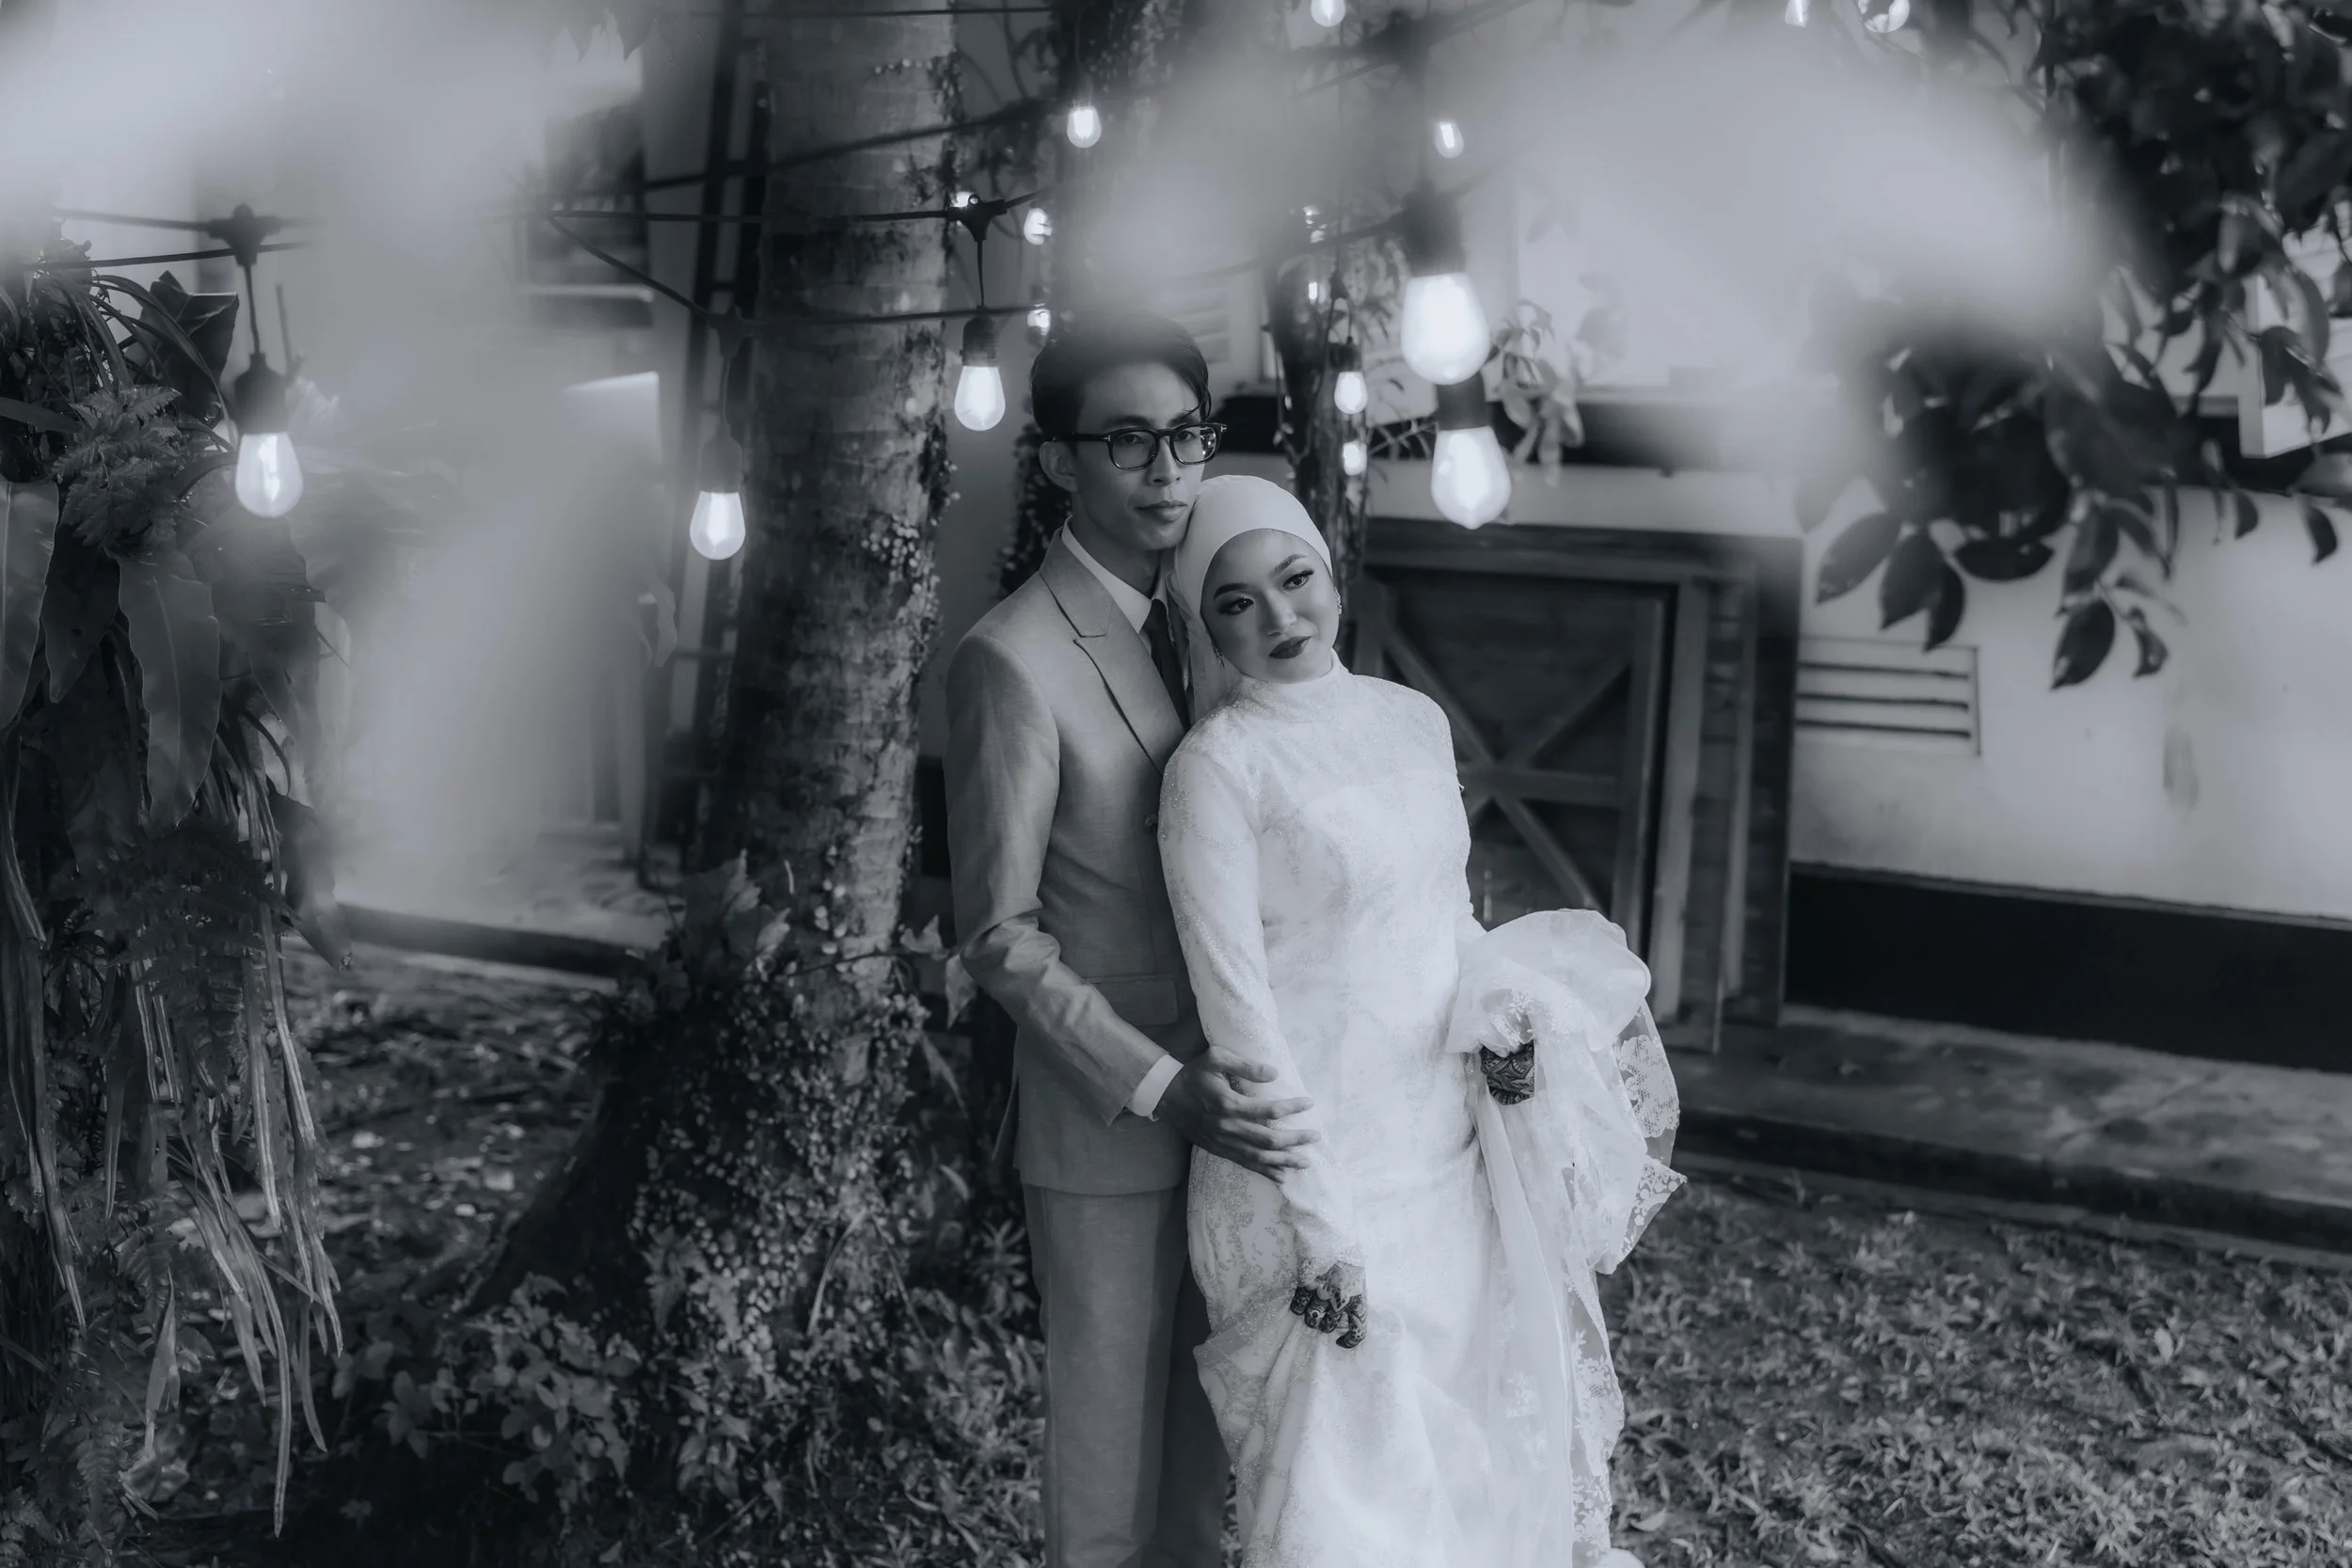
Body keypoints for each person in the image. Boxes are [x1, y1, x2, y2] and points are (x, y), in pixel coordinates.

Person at [1157, 474, 1687, 1568]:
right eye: (1236, 602)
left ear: (1332, 571)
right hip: (1317, 1171)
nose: (1280, 618)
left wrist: (1499, 1011)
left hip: (1448, 1149)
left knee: (1474, 1465)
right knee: (1352, 1498)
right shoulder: (1216, 768)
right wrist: (1320, 1221)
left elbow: (1446, 914)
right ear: (1203, 625)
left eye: (1295, 580)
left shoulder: (1411, 717)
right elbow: (1237, 1013)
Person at [945, 312, 1307, 1568]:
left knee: (1207, 1461)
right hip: (1110, 1124)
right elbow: (997, 934)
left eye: (1186, 436)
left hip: (1237, 1113)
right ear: (1057, 462)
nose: (1167, 469)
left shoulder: (1214, 625)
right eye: (1128, 441)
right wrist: (1163, 1087)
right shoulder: (1012, 659)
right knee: (1102, 1481)